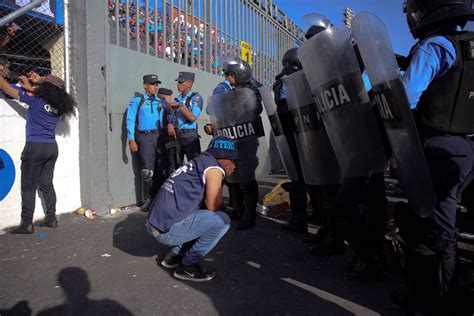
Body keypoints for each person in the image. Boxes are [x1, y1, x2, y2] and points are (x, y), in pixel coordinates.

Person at [392, 0, 474, 311]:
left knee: (430, 227)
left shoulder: (433, 47)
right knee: (443, 221)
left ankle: (436, 299)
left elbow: (407, 97)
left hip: (437, 147)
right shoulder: (466, 48)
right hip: (466, 149)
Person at [146, 136, 236, 282]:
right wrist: (224, 175)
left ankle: (174, 257)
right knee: (222, 220)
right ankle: (187, 266)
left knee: (203, 217)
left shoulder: (199, 161)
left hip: (156, 223)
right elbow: (213, 205)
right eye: (232, 160)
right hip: (165, 230)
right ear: (224, 157)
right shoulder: (214, 168)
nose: (234, 164)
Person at [0, 73, 76, 234]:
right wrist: (34, 84)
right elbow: (46, 88)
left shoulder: (35, 100)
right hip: (51, 148)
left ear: (46, 88)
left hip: (35, 147)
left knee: (28, 185)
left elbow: (6, 88)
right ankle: (51, 218)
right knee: (46, 184)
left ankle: (26, 223)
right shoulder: (59, 106)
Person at [208, 57, 264, 230]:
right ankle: (238, 208)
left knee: (247, 176)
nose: (227, 77)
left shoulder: (250, 91)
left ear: (238, 74)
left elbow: (254, 110)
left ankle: (249, 214)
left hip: (246, 139)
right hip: (233, 138)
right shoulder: (230, 93)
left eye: (230, 74)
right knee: (234, 176)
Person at [126, 74, 168, 212]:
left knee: (161, 167)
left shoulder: (160, 101)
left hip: (159, 136)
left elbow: (169, 117)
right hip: (145, 137)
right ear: (145, 85)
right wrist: (132, 139)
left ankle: (160, 198)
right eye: (152, 84)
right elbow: (130, 120)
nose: (155, 87)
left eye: (156, 84)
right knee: (147, 170)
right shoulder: (138, 101)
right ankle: (148, 199)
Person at [165, 71, 203, 167]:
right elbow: (171, 117)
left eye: (181, 82)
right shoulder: (177, 99)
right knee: (175, 166)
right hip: (176, 135)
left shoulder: (196, 98)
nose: (178, 85)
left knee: (194, 165)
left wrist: (180, 105)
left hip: (189, 135)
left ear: (189, 84)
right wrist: (170, 124)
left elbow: (192, 117)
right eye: (178, 82)